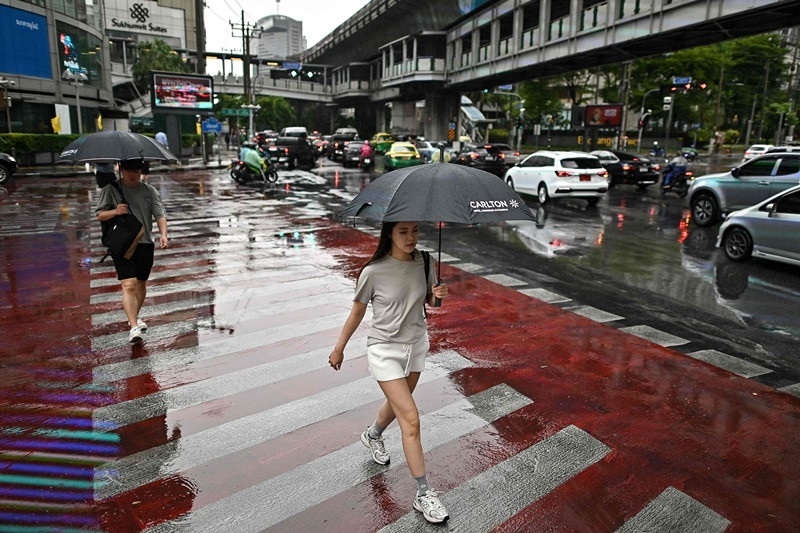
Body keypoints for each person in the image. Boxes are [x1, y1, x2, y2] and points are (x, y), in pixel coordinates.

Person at [328, 221, 450, 524]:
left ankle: (372, 435)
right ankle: (424, 493)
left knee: (398, 405)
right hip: (385, 351)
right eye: (402, 231)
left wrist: (438, 294)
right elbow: (357, 311)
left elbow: (430, 302)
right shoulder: (373, 272)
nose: (411, 237)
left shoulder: (426, 261)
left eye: (415, 231)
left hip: (416, 345)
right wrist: (339, 348)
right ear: (389, 234)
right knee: (411, 418)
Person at [95, 157, 168, 344]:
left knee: (141, 284)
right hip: (123, 244)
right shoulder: (111, 189)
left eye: (137, 171)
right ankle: (134, 327)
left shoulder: (149, 191)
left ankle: (134, 316)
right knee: (129, 285)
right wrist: (116, 211)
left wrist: (163, 235)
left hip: (145, 243)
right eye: (129, 170)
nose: (133, 174)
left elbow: (159, 215)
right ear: (122, 169)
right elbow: (100, 215)